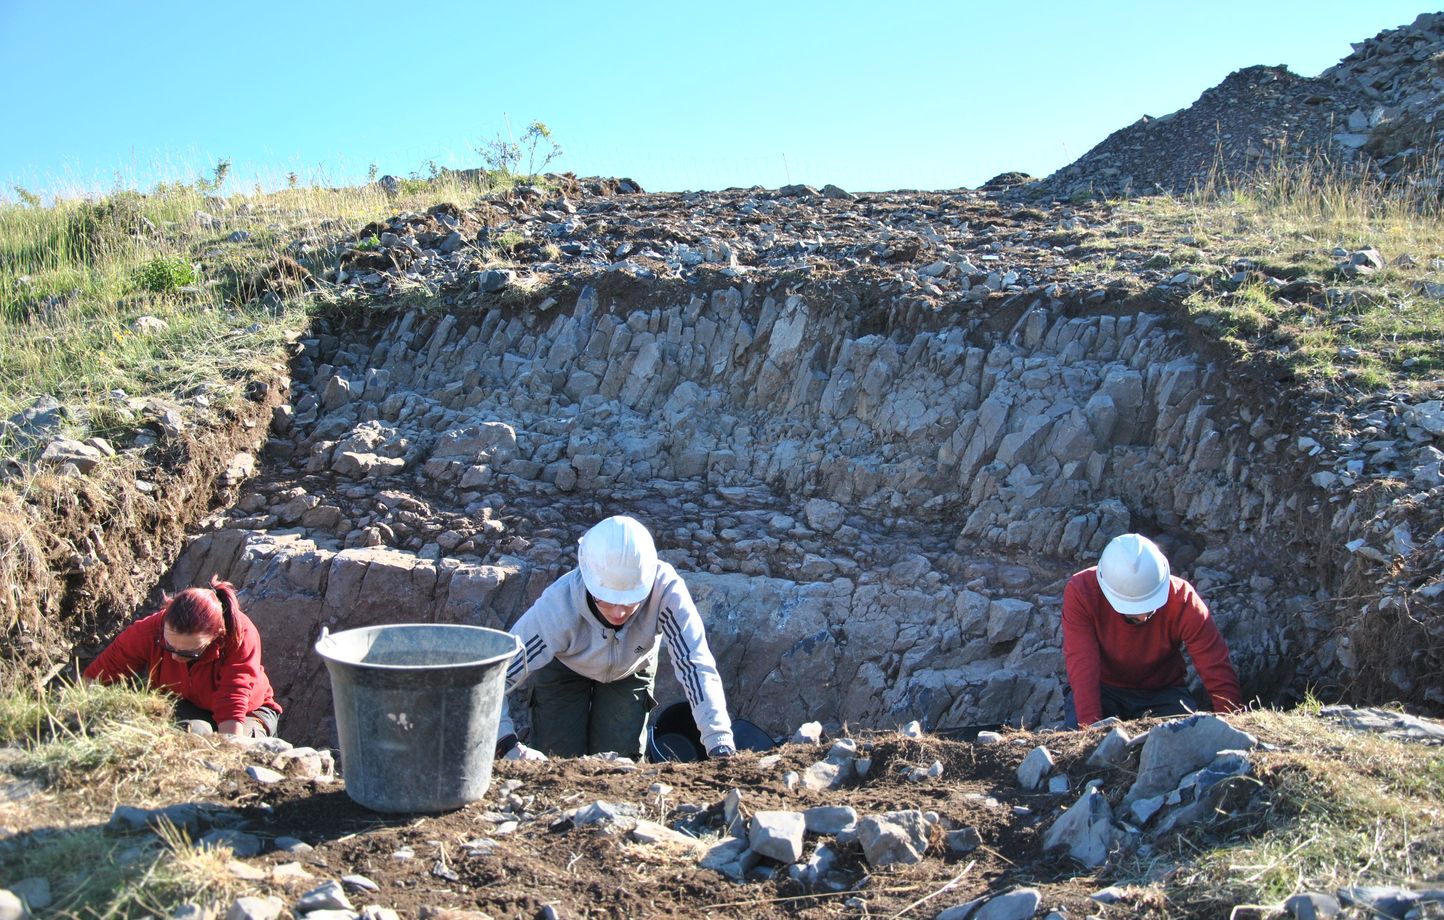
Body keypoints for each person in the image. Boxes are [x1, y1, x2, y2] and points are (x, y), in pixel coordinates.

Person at [495, 515, 736, 761]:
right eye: (607, 601)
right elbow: (495, 674)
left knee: (621, 764)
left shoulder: (667, 591)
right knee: (558, 758)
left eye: (631, 601)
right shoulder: (558, 606)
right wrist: (505, 743)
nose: (619, 613)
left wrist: (719, 741)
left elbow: (695, 664)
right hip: (564, 668)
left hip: (630, 669)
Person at [1061, 533, 1243, 729]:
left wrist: (1233, 728)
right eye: (1131, 613)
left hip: (1163, 692)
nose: (1143, 618)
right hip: (1103, 690)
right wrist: (1089, 732)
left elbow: (1214, 664)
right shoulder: (1082, 592)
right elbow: (1082, 664)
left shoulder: (1182, 599)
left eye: (1151, 608)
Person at [84, 576, 282, 737]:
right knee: (190, 735)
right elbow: (102, 672)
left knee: (229, 747)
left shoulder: (240, 636)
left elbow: (233, 699)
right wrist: (75, 717)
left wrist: (228, 754)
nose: (177, 658)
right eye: (169, 647)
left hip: (249, 712)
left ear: (216, 635)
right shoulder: (150, 629)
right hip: (187, 705)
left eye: (190, 653)